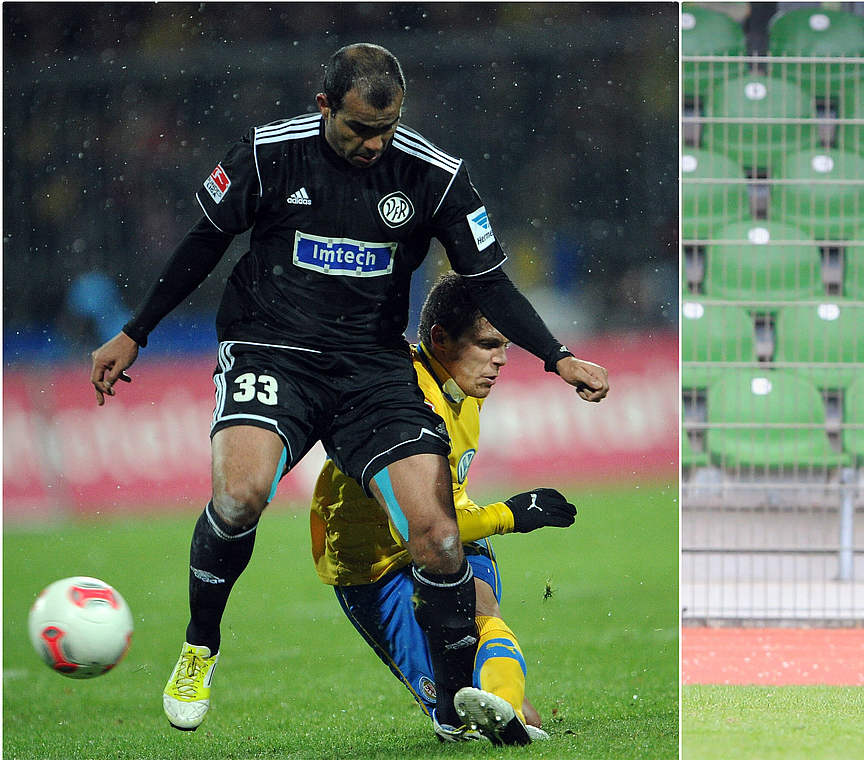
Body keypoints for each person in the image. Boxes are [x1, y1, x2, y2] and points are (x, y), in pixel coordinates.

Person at [88, 43, 609, 734]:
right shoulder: (270, 154)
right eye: (359, 129)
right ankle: (200, 644)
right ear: (324, 104)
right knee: (239, 496)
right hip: (273, 350)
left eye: (386, 130)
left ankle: (455, 710)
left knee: (439, 539)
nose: (373, 145)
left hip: (370, 365)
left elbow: (486, 281)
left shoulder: (434, 176)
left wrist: (557, 356)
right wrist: (136, 331)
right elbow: (203, 242)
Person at [311, 272, 572, 745]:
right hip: (371, 562)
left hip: (448, 536)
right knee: (455, 715)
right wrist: (511, 514)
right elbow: (423, 526)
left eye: (505, 346)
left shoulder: (462, 387)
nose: (501, 360)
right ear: (439, 339)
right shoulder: (399, 398)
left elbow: (444, 519)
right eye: (488, 344)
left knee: (486, 622)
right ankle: (481, 713)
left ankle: (511, 712)